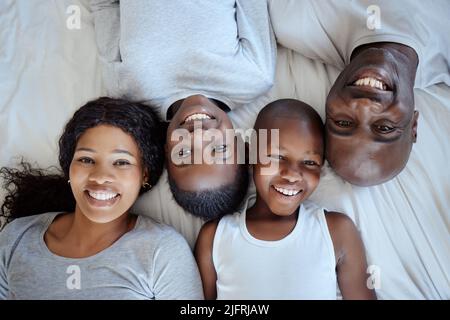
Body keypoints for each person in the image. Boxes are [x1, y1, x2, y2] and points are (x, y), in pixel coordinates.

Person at [0, 97, 203, 300]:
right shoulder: (16, 238)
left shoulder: (163, 251)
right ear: (69, 166)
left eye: (122, 162)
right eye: (86, 160)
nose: (100, 176)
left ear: (144, 175)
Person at [90, 0, 276, 219]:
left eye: (184, 153)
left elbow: (104, 6)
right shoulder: (254, 76)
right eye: (219, 150)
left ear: (166, 151)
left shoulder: (127, 91)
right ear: (241, 146)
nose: (198, 135)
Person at [195, 99, 376, 299]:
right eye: (276, 157)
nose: (292, 174)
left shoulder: (337, 231)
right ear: (250, 155)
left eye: (309, 162)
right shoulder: (214, 238)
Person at [269, 0, 450, 186]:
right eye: (384, 127)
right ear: (413, 124)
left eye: (344, 122)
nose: (364, 105)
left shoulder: (294, 19)